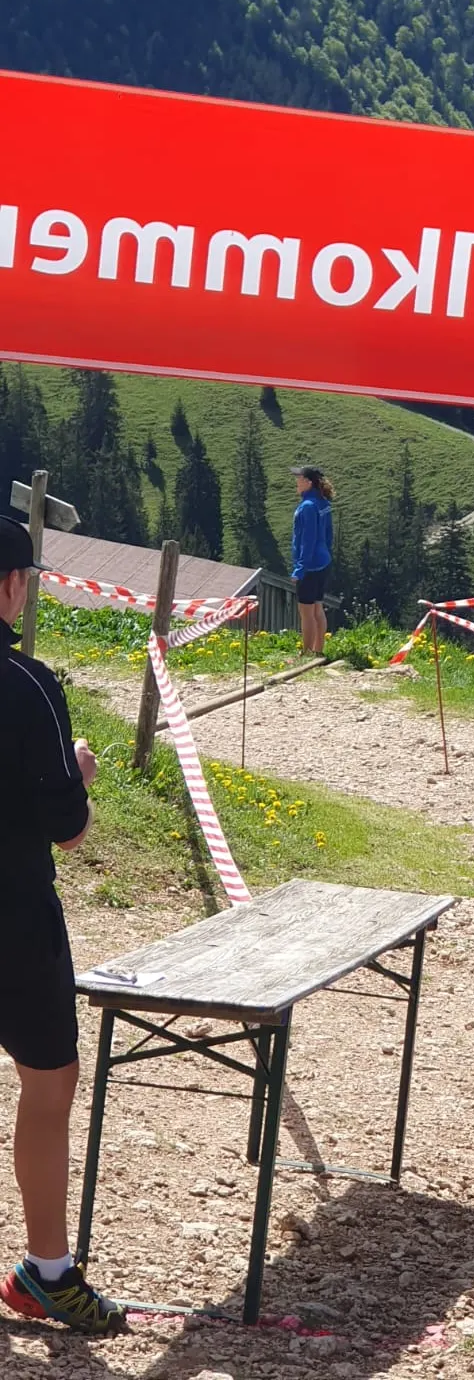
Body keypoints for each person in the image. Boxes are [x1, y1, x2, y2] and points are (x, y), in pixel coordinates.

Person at [0, 517, 125, 1334]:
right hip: (13, 918)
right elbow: (69, 829)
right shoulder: (28, 683)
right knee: (48, 1084)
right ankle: (46, 1272)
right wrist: (75, 770)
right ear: (12, 585)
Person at [291, 464, 334, 656]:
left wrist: (300, 569)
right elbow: (328, 533)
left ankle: (306, 653)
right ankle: (318, 650)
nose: (296, 482)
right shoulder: (323, 502)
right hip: (323, 561)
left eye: (299, 478)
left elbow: (307, 540)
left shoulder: (307, 506)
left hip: (309, 565)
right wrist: (326, 552)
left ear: (308, 482)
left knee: (306, 612)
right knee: (318, 607)